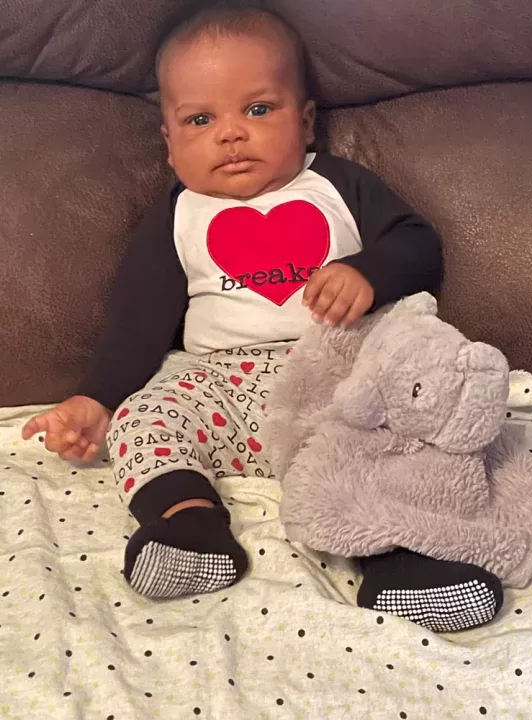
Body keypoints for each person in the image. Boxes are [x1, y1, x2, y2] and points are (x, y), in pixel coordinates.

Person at [22, 3, 502, 631]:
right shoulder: (179, 215)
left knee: (406, 430)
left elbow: (417, 242)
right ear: (170, 144)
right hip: (222, 385)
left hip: (342, 379)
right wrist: (97, 398)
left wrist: (369, 272)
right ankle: (188, 524)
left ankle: (408, 559)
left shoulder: (335, 184)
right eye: (200, 118)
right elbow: (136, 324)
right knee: (147, 417)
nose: (231, 133)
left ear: (304, 123)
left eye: (257, 109)